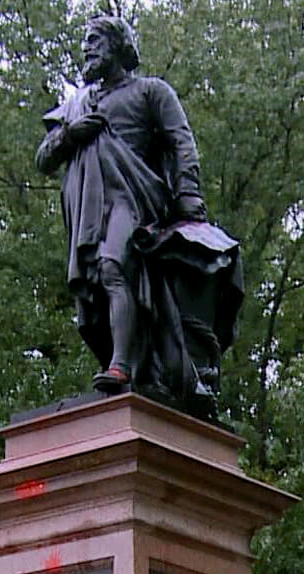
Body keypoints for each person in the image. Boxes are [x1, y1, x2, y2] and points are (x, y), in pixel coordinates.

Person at [35, 16, 243, 419]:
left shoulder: (151, 92)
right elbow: (44, 159)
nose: (87, 48)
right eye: (85, 42)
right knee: (98, 286)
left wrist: (189, 198)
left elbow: (181, 143)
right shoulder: (79, 104)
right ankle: (125, 364)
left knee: (115, 266)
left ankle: (122, 366)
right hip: (91, 209)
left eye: (95, 40)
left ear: (118, 45)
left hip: (136, 201)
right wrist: (70, 134)